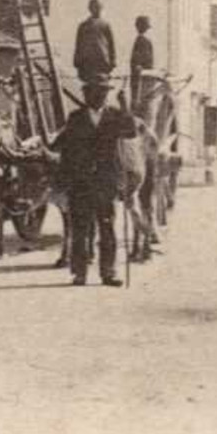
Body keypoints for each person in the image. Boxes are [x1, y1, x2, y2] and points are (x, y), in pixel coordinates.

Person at [52, 75, 136, 286]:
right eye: (92, 92)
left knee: (107, 228)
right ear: (85, 95)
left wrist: (125, 106)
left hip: (106, 182)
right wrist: (62, 182)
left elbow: (131, 132)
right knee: (80, 230)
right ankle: (79, 273)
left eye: (102, 92)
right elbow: (66, 151)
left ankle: (108, 272)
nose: (97, 96)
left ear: (107, 95)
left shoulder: (115, 116)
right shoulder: (76, 118)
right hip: (80, 183)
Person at [73, 0, 116, 83]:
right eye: (94, 7)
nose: (97, 9)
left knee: (102, 87)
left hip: (102, 62)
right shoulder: (83, 26)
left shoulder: (106, 25)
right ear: (90, 9)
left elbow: (111, 45)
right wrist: (77, 62)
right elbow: (78, 45)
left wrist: (113, 61)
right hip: (87, 63)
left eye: (99, 7)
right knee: (89, 89)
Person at [129, 14, 155, 110]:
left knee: (138, 101)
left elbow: (147, 62)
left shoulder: (142, 40)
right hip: (140, 77)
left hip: (141, 77)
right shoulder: (143, 40)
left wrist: (139, 69)